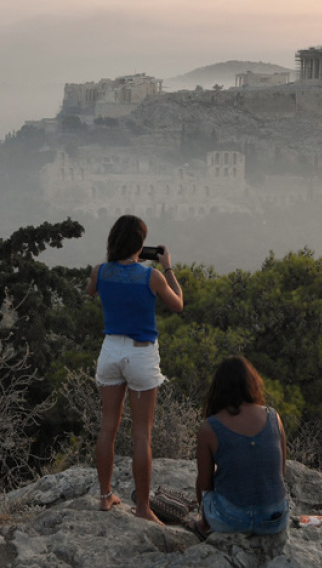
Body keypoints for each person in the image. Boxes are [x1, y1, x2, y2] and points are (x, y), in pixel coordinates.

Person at [86, 215, 183, 525]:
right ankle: (142, 507)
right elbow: (178, 304)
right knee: (142, 435)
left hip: (110, 350)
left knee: (108, 427)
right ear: (140, 245)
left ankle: (105, 497)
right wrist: (168, 266)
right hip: (140, 353)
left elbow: (91, 293)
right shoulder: (151, 276)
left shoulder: (100, 271)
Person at [188, 356, 289, 538]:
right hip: (275, 519)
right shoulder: (274, 418)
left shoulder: (209, 428)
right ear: (252, 384)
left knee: (207, 488)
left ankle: (202, 526)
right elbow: (280, 473)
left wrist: (205, 521)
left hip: (232, 520)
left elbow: (205, 484)